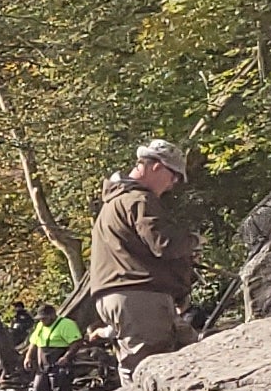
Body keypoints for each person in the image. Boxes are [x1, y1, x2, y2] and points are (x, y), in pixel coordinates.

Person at [74, 139, 201, 366]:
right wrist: (193, 241)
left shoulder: (114, 202)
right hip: (139, 298)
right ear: (157, 167)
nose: (173, 184)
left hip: (117, 297)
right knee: (151, 366)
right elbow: (164, 244)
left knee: (185, 349)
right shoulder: (140, 199)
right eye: (174, 176)